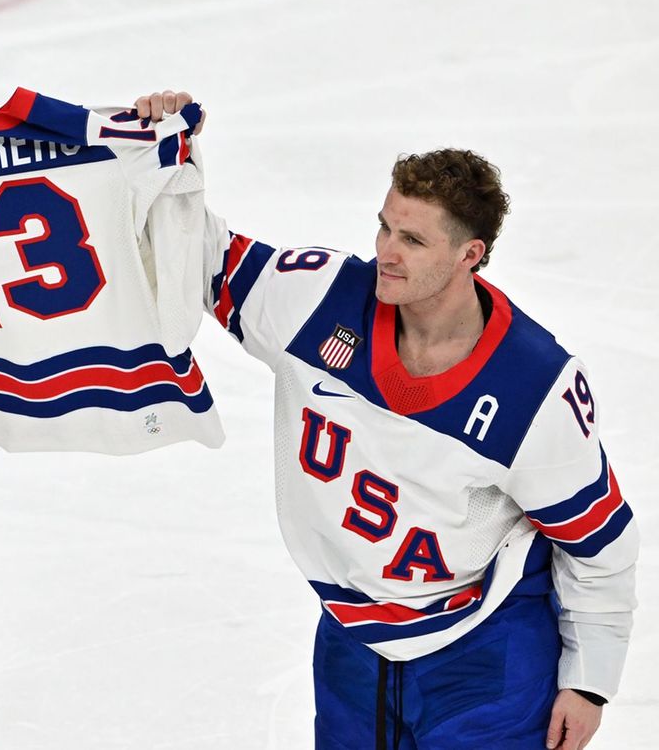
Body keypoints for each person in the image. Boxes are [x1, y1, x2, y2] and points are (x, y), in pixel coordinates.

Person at [132, 92, 636, 749]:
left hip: (486, 651)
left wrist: (590, 679)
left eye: (413, 239)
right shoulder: (319, 300)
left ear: (469, 254)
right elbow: (200, 257)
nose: (386, 252)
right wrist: (163, 153)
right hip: (350, 643)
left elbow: (598, 542)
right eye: (385, 227)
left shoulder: (533, 387)